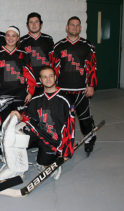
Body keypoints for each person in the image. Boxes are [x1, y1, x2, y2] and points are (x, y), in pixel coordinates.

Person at [10, 66, 75, 180]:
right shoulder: (36, 98)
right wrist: (19, 116)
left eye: (50, 76)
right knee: (17, 138)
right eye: (45, 77)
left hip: (53, 140)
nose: (48, 79)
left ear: (55, 77)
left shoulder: (65, 100)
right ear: (40, 80)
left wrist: (67, 152)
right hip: (39, 133)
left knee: (43, 163)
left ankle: (49, 158)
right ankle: (18, 167)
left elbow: (70, 127)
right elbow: (28, 117)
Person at [50, 16, 97, 156]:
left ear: (80, 28)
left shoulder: (88, 46)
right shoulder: (58, 46)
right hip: (63, 91)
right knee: (63, 120)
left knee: (84, 120)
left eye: (77, 25)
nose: (74, 27)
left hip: (81, 90)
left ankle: (90, 138)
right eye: (72, 25)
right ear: (67, 27)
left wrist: (91, 85)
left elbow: (92, 67)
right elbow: (53, 69)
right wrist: (52, 88)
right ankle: (63, 143)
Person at [0, 26, 36, 120]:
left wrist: (30, 92)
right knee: (4, 123)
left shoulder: (23, 54)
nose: (10, 38)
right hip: (3, 96)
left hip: (20, 96)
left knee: (19, 123)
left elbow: (29, 75)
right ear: (5, 37)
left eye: (13, 36)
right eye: (8, 35)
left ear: (18, 38)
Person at [20, 12, 54, 95]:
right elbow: (20, 64)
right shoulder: (21, 41)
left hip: (46, 83)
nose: (34, 24)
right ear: (27, 25)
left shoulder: (48, 39)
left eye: (36, 22)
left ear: (41, 24)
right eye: (31, 22)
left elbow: (53, 61)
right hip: (29, 84)